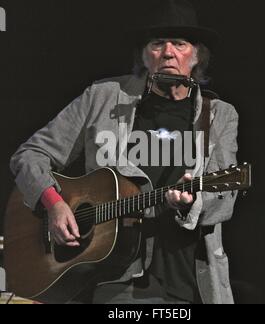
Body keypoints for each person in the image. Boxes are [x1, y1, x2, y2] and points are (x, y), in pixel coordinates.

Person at [10, 0, 239, 304]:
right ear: (144, 54)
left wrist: (191, 202)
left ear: (197, 56)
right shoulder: (102, 98)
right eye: (158, 43)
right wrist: (53, 204)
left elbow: (225, 199)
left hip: (188, 282)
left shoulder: (219, 115)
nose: (168, 52)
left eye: (180, 44)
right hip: (115, 281)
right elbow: (29, 155)